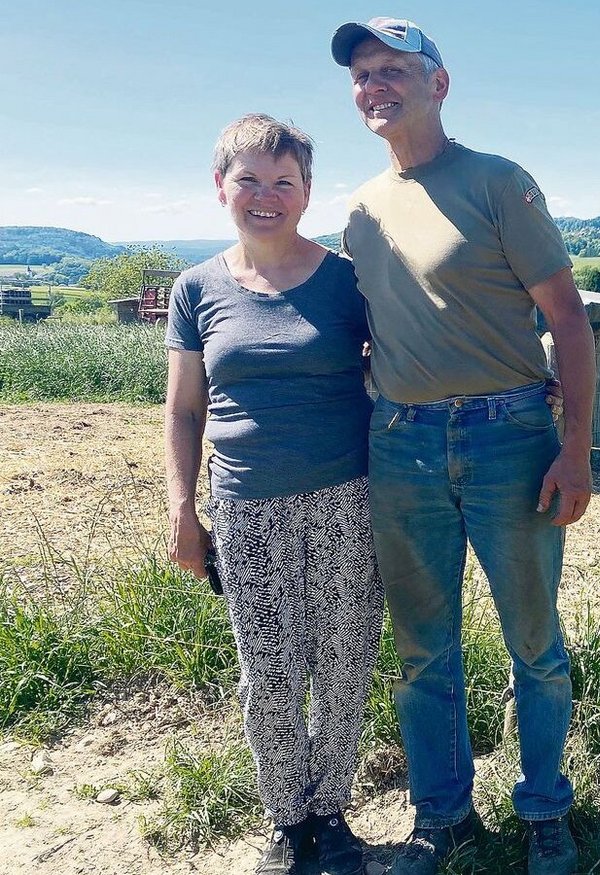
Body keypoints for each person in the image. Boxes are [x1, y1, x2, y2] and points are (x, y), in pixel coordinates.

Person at [329, 16, 596, 875]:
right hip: (400, 444)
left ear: (438, 85)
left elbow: (569, 317)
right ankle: (443, 817)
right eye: (363, 73)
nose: (376, 85)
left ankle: (545, 809)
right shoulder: (359, 211)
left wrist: (577, 446)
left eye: (394, 69)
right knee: (422, 646)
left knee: (533, 638)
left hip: (509, 437)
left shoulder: (496, 182)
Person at [164, 114, 383, 875]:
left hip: (347, 497)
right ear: (220, 186)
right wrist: (182, 510)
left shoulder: (347, 281)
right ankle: (287, 819)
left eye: (283, 181)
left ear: (307, 191)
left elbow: (405, 357)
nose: (266, 196)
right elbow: (184, 409)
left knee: (347, 658)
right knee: (269, 673)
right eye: (249, 180)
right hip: (247, 507)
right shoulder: (197, 289)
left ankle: (333, 812)